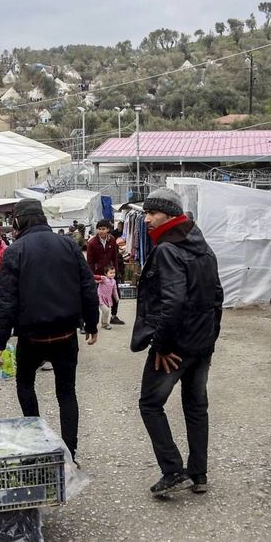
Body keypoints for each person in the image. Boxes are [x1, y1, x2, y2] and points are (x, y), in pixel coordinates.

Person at [131, 188, 224, 497]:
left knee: (149, 403)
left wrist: (161, 346)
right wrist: (210, 338)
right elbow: (218, 297)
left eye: (151, 213)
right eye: (145, 213)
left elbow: (173, 302)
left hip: (176, 346)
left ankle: (173, 470)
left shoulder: (168, 249)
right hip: (201, 344)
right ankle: (199, 475)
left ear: (169, 215)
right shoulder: (202, 245)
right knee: (196, 407)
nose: (146, 219)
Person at [0, 199, 99, 460]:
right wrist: (92, 323)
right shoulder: (69, 245)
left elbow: (6, 300)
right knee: (66, 392)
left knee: (25, 384)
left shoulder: (15, 250)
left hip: (31, 337)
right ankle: (69, 453)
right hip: (65, 333)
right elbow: (87, 287)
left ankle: (38, 445)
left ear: (18, 221)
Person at [86, 220, 125, 325]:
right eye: (99, 229)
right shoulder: (92, 243)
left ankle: (114, 316)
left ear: (108, 229)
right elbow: (89, 262)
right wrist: (92, 276)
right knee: (95, 297)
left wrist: (115, 271)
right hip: (97, 274)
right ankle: (92, 320)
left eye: (103, 229)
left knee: (115, 294)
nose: (101, 231)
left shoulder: (112, 240)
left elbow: (115, 257)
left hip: (110, 273)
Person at [97, 265, 119, 330]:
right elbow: (96, 279)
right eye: (111, 273)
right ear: (106, 273)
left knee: (105, 311)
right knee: (106, 310)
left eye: (114, 272)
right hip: (100, 298)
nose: (112, 274)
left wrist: (116, 298)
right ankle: (105, 324)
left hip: (107, 299)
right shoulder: (103, 279)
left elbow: (114, 291)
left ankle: (103, 323)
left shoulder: (114, 281)